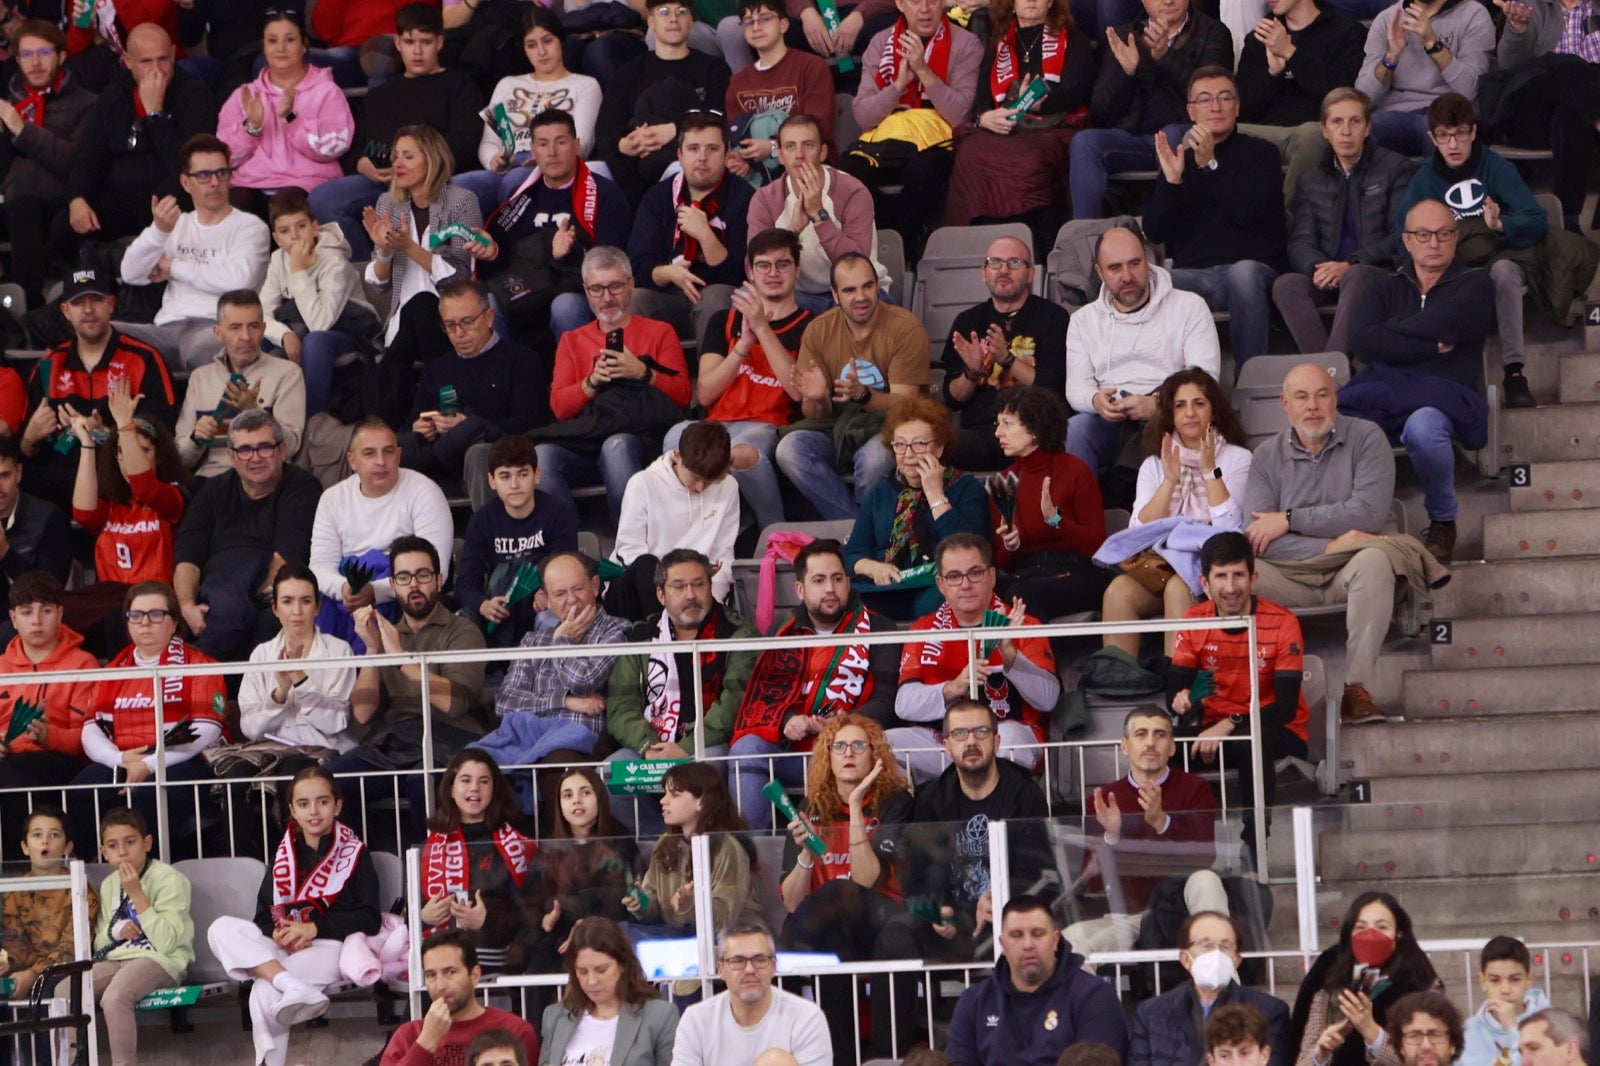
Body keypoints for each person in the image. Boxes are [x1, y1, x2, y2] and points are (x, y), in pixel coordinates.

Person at [881, 698, 1050, 1046]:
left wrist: (1002, 903)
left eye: (980, 731)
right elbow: (917, 877)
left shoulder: (1024, 793)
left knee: (1008, 935)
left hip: (1005, 913)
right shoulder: (932, 799)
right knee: (896, 932)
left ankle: (1012, 1048)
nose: (970, 742)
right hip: (952, 915)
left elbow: (1041, 870)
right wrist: (940, 912)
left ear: (997, 740)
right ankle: (890, 1049)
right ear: (946, 745)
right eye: (959, 733)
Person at [1242, 363, 1397, 724]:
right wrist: (1334, 544)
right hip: (1290, 576)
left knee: (1375, 561)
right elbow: (1259, 538)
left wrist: (1291, 520)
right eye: (1302, 397)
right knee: (1235, 571)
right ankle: (1245, 698)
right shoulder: (1266, 456)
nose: (1313, 406)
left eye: (1321, 395)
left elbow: (1368, 515)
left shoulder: (1367, 437)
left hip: (1350, 570)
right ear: (1284, 403)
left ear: (1335, 399)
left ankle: (1356, 691)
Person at [1344, 198, 1494, 566]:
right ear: (1406, 241)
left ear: (1455, 238)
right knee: (1336, 425)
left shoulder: (1474, 284)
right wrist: (1430, 344)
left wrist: (1390, 338)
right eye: (1423, 235)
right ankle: (1358, 527)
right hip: (1387, 395)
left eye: (1443, 234)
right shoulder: (1384, 287)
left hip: (1443, 398)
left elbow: (1380, 339)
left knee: (1423, 427)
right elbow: (1361, 341)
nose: (1434, 243)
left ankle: (1443, 521)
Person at [206, 766, 382, 1066]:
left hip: (328, 947)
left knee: (263, 989)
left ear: (337, 805)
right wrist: (277, 932)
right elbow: (263, 916)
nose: (313, 811)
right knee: (220, 928)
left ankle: (279, 1015)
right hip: (283, 948)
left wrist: (313, 928)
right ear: (292, 811)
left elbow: (369, 918)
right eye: (303, 804)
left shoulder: (356, 853)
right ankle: (291, 984)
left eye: (322, 801)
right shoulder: (283, 855)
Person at [729, 538, 902, 829]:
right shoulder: (782, 631)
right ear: (800, 589)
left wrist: (843, 725)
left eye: (837, 579)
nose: (830, 589)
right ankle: (754, 854)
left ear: (848, 583)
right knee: (745, 749)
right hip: (797, 752)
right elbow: (762, 699)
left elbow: (886, 701)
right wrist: (786, 719)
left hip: (852, 750)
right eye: (819, 580)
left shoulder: (878, 627)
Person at [1396, 93, 1550, 413]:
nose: (1453, 144)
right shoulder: (1425, 179)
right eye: (1443, 135)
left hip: (1500, 257)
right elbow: (1404, 236)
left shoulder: (1496, 167)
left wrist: (1500, 224)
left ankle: (1514, 373)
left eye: (1460, 133)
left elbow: (1537, 220)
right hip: (1454, 268)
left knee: (1503, 272)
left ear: (1473, 132)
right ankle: (1452, 383)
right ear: (1431, 137)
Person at [331, 536, 488, 844]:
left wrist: (401, 658)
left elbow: (455, 704)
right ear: (392, 584)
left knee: (422, 782)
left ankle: (425, 881)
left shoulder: (463, 631)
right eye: (404, 577)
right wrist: (373, 650)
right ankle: (368, 876)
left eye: (423, 575)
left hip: (452, 739)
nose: (414, 585)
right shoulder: (387, 633)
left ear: (439, 580)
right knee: (332, 783)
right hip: (397, 741)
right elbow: (362, 714)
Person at [773, 713, 911, 1061]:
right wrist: (806, 854)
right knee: (825, 937)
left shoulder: (896, 802)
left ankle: (883, 1056)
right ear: (828, 756)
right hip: (827, 927)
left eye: (859, 745)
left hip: (880, 917)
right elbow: (791, 901)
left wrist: (853, 808)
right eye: (839, 746)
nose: (849, 753)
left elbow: (866, 880)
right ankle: (840, 1058)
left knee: (837, 893)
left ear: (874, 755)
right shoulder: (810, 808)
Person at [1167, 531, 1311, 860]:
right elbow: (1175, 687)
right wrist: (1180, 698)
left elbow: (1285, 709)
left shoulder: (1283, 621)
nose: (1230, 587)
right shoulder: (1193, 620)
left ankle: (1255, 845)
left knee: (1251, 738)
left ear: (1253, 577)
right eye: (1221, 576)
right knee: (1158, 739)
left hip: (1279, 732)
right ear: (1205, 582)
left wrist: (1231, 723)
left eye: (1238, 575)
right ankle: (1174, 843)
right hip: (1216, 733)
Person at [311, 3, 485, 260]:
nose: (417, 51)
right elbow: (358, 146)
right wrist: (363, 165)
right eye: (409, 41)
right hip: (383, 180)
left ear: (439, 42)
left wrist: (419, 168)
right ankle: (370, 269)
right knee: (323, 199)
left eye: (425, 42)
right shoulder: (381, 95)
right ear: (397, 44)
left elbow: (464, 145)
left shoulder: (460, 86)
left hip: (434, 182)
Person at [1143, 67, 1286, 374]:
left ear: (1238, 106)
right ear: (1191, 111)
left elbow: (1247, 213)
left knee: (1242, 274)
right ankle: (1159, 383)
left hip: (1252, 270)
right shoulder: (1179, 156)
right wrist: (1171, 181)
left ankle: (1251, 377)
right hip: (1194, 274)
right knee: (1148, 279)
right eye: (1205, 100)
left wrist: (1210, 164)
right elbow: (1154, 230)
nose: (1215, 106)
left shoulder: (1263, 154)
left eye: (1224, 97)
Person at [1100, 369, 1251, 659]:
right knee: (1118, 591)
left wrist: (1209, 471)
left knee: (1178, 588)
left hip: (1210, 569)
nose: (1190, 413)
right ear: (1170, 415)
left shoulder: (1238, 459)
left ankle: (1179, 682)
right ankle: (1119, 681)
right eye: (1180, 406)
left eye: (1199, 403)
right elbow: (1139, 530)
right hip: (1161, 565)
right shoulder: (1154, 464)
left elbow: (1231, 530)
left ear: (1214, 411)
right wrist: (1170, 481)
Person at [67, 582, 229, 853]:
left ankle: (153, 881)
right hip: (123, 759)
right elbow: (90, 728)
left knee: (146, 797)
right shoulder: (114, 668)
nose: (145, 623)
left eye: (156, 614)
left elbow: (206, 728)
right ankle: (95, 880)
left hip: (183, 761)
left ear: (175, 621)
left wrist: (151, 764)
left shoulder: (200, 664)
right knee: (81, 792)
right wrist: (119, 760)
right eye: (136, 615)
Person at [671, 227, 811, 534]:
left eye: (783, 264)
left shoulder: (811, 325)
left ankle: (775, 531)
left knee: (743, 449)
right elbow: (706, 393)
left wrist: (762, 328)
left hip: (768, 423)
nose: (773, 273)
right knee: (674, 439)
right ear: (750, 270)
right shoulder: (724, 320)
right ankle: (687, 537)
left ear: (797, 270)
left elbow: (798, 392)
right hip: (716, 423)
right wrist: (743, 345)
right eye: (763, 265)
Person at [605, 549, 759, 824]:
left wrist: (687, 747)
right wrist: (647, 745)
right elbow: (621, 706)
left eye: (699, 584)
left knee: (705, 768)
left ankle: (705, 844)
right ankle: (664, 845)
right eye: (679, 586)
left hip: (710, 745)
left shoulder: (736, 633)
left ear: (710, 587)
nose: (690, 595)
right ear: (661, 595)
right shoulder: (641, 636)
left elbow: (736, 699)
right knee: (610, 771)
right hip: (653, 744)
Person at [540, 246, 692, 523]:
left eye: (615, 287)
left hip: (639, 438)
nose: (607, 298)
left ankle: (629, 545)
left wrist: (642, 372)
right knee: (541, 456)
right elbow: (560, 409)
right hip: (587, 439)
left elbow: (683, 396)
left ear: (631, 286)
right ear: (586, 291)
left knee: (616, 446)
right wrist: (592, 382)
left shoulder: (660, 332)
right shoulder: (572, 340)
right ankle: (567, 549)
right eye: (597, 289)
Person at [892, 531, 1059, 783]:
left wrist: (1011, 655)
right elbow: (903, 704)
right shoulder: (923, 630)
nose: (966, 584)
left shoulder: (1023, 624)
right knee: (878, 745)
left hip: (1003, 737)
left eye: (975, 573)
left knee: (1008, 741)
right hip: (943, 743)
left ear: (992, 577)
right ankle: (922, 818)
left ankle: (996, 816)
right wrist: (952, 688)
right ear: (941, 584)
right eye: (954, 576)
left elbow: (1048, 699)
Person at [777, 252, 929, 519]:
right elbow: (814, 414)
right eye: (849, 290)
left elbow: (907, 405)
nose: (861, 297)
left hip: (893, 425)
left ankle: (860, 535)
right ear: (834, 295)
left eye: (868, 286)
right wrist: (816, 399)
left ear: (877, 286)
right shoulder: (818, 330)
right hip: (835, 427)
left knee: (874, 460)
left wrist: (863, 394)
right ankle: (852, 528)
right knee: (789, 450)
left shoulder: (905, 328)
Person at [1063, 706, 1223, 953]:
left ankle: (1221, 984)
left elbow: (1205, 858)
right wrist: (1112, 836)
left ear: (1172, 747)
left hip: (1180, 913)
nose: (1150, 742)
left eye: (1160, 734)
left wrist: (1162, 822)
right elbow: (1093, 882)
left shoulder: (1195, 788)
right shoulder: (1105, 797)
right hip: (1127, 919)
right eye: (1141, 734)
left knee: (1206, 880)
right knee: (1068, 944)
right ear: (1124, 746)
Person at [1063, 225, 1220, 477]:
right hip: (1111, 419)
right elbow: (1076, 388)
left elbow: (1205, 378)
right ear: (1099, 272)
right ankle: (1084, 515)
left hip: (1172, 414)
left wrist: (1160, 405)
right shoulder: (1083, 320)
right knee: (1074, 430)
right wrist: (1096, 401)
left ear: (1147, 261)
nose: (1127, 276)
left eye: (1135, 263)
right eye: (1115, 268)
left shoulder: (1189, 306)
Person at [361, 123, 492, 420]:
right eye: (395, 156)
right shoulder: (388, 204)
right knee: (414, 311)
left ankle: (384, 425)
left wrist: (408, 246)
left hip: (451, 321)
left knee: (420, 308)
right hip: (402, 325)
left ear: (431, 159)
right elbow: (380, 284)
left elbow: (461, 276)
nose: (397, 163)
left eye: (408, 156)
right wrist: (383, 250)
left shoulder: (461, 201)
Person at [1272, 87, 1414, 356]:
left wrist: (1350, 264)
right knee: (1286, 285)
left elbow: (1402, 236)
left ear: (1368, 128)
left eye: (1355, 121)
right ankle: (1334, 372)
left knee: (1356, 275)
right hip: (1328, 276)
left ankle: (1330, 375)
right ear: (1325, 130)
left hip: (1377, 274)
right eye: (1337, 122)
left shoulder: (1397, 169)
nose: (1346, 131)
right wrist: (1320, 268)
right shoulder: (1311, 179)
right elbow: (1300, 241)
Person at [172, 410, 323, 663]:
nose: (255, 458)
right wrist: (187, 606)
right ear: (231, 456)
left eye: (265, 447)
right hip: (215, 599)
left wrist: (247, 606)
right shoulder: (212, 490)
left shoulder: (303, 487)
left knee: (269, 623)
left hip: (265, 598)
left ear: (282, 450)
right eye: (244, 450)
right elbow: (188, 555)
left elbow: (287, 558)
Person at [55, 24, 215, 258]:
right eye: (146, 62)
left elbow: (189, 168)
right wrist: (77, 197)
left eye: (162, 59)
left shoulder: (195, 95)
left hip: (167, 199)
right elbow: (89, 155)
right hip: (120, 197)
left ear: (173, 54)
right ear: (128, 61)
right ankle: (95, 288)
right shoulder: (113, 96)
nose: (156, 70)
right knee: (62, 226)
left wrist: (155, 115)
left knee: (172, 192)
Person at [23, 268, 179, 508]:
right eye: (78, 302)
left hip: (122, 473)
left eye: (96, 300)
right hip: (61, 482)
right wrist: (29, 438)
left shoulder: (144, 359)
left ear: (111, 304)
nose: (88, 310)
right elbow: (28, 451)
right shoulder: (48, 366)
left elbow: (163, 432)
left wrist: (104, 435)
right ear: (65, 311)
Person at [116, 133, 272, 371]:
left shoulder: (251, 227)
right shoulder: (175, 224)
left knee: (209, 349)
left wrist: (173, 267)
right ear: (186, 183)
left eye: (221, 173)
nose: (214, 183)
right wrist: (158, 231)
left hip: (216, 327)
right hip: (166, 328)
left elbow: (240, 282)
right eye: (203, 175)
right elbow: (130, 273)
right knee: (103, 334)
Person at [840, 0, 982, 258]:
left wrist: (923, 70)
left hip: (936, 137)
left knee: (923, 173)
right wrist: (897, 88)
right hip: (884, 135)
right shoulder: (881, 42)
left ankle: (902, 250)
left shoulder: (966, 43)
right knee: (846, 176)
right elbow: (862, 116)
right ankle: (883, 240)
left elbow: (960, 115)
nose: (925, 9)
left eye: (932, 1)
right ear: (900, 4)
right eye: (916, 2)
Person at [478, 108, 632, 341]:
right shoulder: (522, 197)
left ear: (577, 145)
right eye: (543, 144)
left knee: (565, 306)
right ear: (533, 150)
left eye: (561, 142)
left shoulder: (605, 194)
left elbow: (611, 265)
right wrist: (491, 254)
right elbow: (502, 269)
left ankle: (576, 374)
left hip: (576, 294)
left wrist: (566, 256)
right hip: (528, 293)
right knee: (487, 304)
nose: (552, 152)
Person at [1068, 0, 1231, 220]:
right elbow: (1101, 112)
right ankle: (1086, 238)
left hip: (1184, 134)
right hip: (1135, 140)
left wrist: (1166, 56)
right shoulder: (1125, 36)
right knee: (1084, 143)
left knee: (1174, 135)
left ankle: (1169, 233)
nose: (1168, 1)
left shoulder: (1213, 32)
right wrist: (1125, 74)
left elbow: (1211, 101)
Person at [943, 0, 1096, 231]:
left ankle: (1037, 241)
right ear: (1012, 4)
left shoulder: (1073, 39)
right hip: (1007, 129)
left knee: (1029, 159)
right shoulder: (999, 42)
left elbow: (1077, 91)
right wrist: (985, 117)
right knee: (969, 153)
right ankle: (982, 235)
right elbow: (982, 100)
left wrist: (1036, 105)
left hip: (1053, 127)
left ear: (1051, 2)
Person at [309, 418, 454, 647]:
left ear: (398, 454)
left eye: (388, 452)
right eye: (369, 453)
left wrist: (374, 591)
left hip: (404, 592)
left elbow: (437, 571)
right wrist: (346, 590)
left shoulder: (425, 491)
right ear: (352, 460)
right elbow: (319, 567)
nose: (381, 461)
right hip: (345, 596)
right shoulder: (332, 498)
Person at [844, 395, 991, 621]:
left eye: (919, 444)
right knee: (852, 603)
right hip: (888, 586)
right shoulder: (881, 492)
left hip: (939, 584)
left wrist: (935, 494)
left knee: (935, 604)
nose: (909, 454)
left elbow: (972, 550)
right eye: (900, 444)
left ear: (939, 448)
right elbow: (853, 552)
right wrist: (874, 568)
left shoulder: (965, 487)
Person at [67, 379, 190, 645]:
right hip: (110, 601)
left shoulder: (174, 495)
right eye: (121, 451)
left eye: (143, 449)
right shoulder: (114, 504)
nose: (129, 456)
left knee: (118, 617)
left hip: (156, 604)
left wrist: (124, 424)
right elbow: (84, 514)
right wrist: (88, 446)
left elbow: (145, 488)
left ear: (158, 457)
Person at [946, 894, 1129, 1066]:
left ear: (1055, 939)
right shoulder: (975, 1001)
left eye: (1037, 933)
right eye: (1016, 935)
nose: (1028, 944)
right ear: (1002, 944)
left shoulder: (1094, 996)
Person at [487, 550, 630, 763]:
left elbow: (582, 682)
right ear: (545, 599)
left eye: (579, 589)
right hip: (531, 739)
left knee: (555, 762)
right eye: (560, 594)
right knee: (471, 765)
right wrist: (567, 701)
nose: (572, 600)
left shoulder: (617, 630)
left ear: (595, 586)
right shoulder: (533, 641)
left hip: (580, 744)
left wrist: (561, 640)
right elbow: (505, 702)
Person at [942, 237, 1071, 471]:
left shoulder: (1053, 317)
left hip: (1033, 432)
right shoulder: (967, 321)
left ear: (1031, 273)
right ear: (984, 272)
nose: (1003, 270)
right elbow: (952, 399)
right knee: (937, 445)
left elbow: (1053, 389)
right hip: (982, 433)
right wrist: (972, 371)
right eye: (995, 262)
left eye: (1014, 262)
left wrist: (1007, 359)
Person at [460, 5, 602, 213]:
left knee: (517, 180)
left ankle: (508, 244)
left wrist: (546, 156)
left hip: (552, 165)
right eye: (531, 45)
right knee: (455, 188)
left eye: (547, 41)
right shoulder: (507, 85)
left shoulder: (585, 85)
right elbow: (489, 142)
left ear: (561, 41)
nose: (541, 52)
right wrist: (494, 160)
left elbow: (583, 143)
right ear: (524, 49)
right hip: (506, 165)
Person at [627, 111, 753, 347]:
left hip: (721, 295)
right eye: (694, 148)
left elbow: (742, 272)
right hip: (668, 296)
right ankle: (641, 381)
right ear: (680, 155)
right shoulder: (658, 197)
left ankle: (712, 381)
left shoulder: (744, 197)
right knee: (633, 299)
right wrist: (668, 273)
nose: (702, 157)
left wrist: (705, 235)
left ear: (727, 155)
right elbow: (637, 264)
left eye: (712, 149)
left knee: (716, 298)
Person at [399, 278, 542, 484]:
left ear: (489, 317)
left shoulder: (521, 360)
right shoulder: (436, 370)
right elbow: (410, 424)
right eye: (449, 325)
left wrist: (470, 425)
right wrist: (419, 428)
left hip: (496, 457)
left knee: (474, 446)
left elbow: (530, 423)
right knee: (390, 447)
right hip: (442, 461)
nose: (459, 333)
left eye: (467, 322)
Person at [747, 112, 891, 314]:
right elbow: (755, 266)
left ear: (823, 152)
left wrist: (818, 215)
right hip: (799, 296)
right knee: (752, 300)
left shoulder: (853, 192)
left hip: (856, 292)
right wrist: (793, 232)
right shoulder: (765, 200)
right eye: (790, 146)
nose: (799, 155)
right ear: (780, 155)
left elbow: (856, 266)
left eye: (808, 145)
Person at [216, 9, 356, 216]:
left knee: (287, 210)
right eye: (272, 41)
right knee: (229, 209)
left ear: (304, 45)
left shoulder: (327, 92)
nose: (281, 48)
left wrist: (291, 120)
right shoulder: (245, 95)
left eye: (290, 40)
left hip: (305, 184)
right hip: (250, 183)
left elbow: (335, 147)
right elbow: (224, 158)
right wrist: (252, 127)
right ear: (263, 47)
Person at [260, 188, 381, 419]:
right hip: (299, 329)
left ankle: (312, 423)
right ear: (276, 238)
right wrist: (285, 335)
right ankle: (265, 424)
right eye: (285, 231)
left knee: (315, 342)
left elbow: (320, 323)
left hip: (350, 333)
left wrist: (298, 271)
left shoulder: (334, 262)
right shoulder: (278, 259)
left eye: (301, 226)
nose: (295, 236)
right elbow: (261, 313)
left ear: (315, 227)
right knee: (262, 340)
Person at [594, 0, 732, 202]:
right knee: (590, 171)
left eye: (681, 12)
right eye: (664, 12)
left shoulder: (714, 69)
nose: (674, 19)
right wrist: (625, 143)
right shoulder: (628, 73)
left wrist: (675, 130)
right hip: (631, 167)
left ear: (691, 20)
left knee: (679, 170)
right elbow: (606, 129)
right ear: (651, 21)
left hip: (686, 163)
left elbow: (719, 118)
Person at [0, 20, 95, 310]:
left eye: (43, 52)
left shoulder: (87, 104)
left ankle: (30, 305)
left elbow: (74, 162)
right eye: (26, 55)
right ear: (17, 60)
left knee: (22, 200)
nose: (35, 62)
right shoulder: (7, 103)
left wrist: (21, 130)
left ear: (62, 56)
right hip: (13, 200)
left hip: (63, 200)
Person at [91, 806, 196, 1066]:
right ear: (104, 852)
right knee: (65, 990)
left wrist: (137, 894)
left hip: (161, 960)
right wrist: (116, 930)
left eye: (130, 842)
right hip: (116, 959)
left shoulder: (170, 879)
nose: (123, 852)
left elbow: (168, 942)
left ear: (147, 843)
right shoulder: (108, 885)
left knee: (115, 997)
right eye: (113, 846)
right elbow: (100, 942)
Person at [418, 750, 537, 975]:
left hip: (498, 951)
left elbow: (531, 911)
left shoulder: (516, 842)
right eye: (466, 780)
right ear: (451, 789)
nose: (474, 788)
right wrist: (424, 917)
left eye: (484, 781)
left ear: (494, 789)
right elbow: (410, 912)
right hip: (442, 954)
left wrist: (486, 920)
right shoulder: (429, 845)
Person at [993, 386, 1109, 618]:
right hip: (1028, 573)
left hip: (1077, 572)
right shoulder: (1003, 481)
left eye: (1008, 424)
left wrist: (1057, 520)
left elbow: (1098, 547)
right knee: (981, 590)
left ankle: (1034, 655)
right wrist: (1010, 546)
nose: (998, 433)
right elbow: (1003, 562)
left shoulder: (1075, 470)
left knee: (1022, 595)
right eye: (997, 424)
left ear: (1035, 429)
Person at [1289, 892, 1441, 1066]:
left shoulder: (1421, 982)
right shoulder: (1328, 975)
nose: (1370, 935)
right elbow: (1301, 1057)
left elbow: (1430, 1058)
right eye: (1360, 927)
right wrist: (1320, 1055)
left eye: (1382, 927)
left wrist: (1373, 1033)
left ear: (1398, 934)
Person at [1234, 0, 1364, 204]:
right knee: (1200, 133)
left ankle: (1282, 219)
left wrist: (1290, 53)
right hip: (1264, 132)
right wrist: (1272, 74)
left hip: (1311, 131)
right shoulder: (1260, 37)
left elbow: (1342, 96)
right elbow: (1240, 108)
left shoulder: (1347, 32)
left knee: (1312, 135)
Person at [513, 767, 638, 971]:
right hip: (559, 941)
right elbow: (529, 904)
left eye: (585, 793)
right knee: (539, 966)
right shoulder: (549, 850)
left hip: (607, 938)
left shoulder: (621, 844)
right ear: (560, 805)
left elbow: (621, 900)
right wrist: (544, 920)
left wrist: (585, 929)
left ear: (600, 798)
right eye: (567, 795)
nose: (576, 801)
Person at [459, 437, 581, 647]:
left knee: (551, 618)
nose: (514, 485)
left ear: (537, 475)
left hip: (542, 605)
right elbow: (465, 583)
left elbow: (565, 569)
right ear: (491, 481)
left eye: (522, 474)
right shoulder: (481, 521)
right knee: (462, 621)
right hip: (499, 606)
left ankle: (547, 679)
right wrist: (484, 605)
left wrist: (547, 595)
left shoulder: (558, 513)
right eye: (505, 476)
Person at [1492, 0, 1600, 233]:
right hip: (1534, 112)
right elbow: (1510, 67)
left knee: (1569, 115)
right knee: (1570, 66)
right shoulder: (1532, 6)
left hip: (1577, 117)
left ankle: (1568, 220)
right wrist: (1517, 29)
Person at [175, 290, 308, 479]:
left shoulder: (288, 374)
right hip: (212, 481)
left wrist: (254, 412)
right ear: (218, 333)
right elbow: (180, 459)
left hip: (266, 481)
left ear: (263, 329)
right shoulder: (200, 378)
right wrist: (195, 439)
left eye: (253, 326)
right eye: (235, 327)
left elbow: (291, 446)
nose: (246, 336)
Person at [623, 761, 762, 942]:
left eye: (674, 794)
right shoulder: (666, 842)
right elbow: (654, 904)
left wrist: (690, 904)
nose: (663, 800)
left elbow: (724, 920)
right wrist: (641, 903)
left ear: (701, 801)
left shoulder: (729, 847)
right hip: (678, 938)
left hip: (732, 942)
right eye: (665, 793)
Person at [1129, 913, 1292, 1066]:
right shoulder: (1151, 1013)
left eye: (1225, 946)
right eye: (1205, 945)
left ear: (1236, 961)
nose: (1216, 953)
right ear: (1185, 959)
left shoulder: (1269, 1011)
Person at [612, 421, 740, 614]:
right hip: (646, 587)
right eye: (695, 478)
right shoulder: (642, 483)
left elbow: (723, 556)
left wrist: (712, 602)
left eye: (709, 482)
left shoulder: (728, 486)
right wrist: (675, 588)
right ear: (678, 456)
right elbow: (630, 552)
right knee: (646, 565)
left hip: (696, 585)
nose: (700, 488)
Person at [0, 575, 97, 826]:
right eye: (25, 612)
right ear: (12, 618)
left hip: (60, 760)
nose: (36, 621)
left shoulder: (83, 664)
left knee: (14, 777)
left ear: (60, 613)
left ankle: (16, 863)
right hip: (9, 760)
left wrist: (47, 736)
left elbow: (85, 738)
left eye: (45, 611)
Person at [670, 919, 832, 1066]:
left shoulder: (807, 1018)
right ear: (721, 969)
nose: (749, 969)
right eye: (738, 961)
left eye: (759, 960)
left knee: (775, 1061)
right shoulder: (695, 1020)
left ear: (773, 967)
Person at [237, 562, 359, 756]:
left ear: (317, 607)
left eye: (306, 601)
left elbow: (337, 722)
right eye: (287, 601)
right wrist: (280, 693)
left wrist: (299, 679)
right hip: (272, 755)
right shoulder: (261, 654)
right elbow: (250, 728)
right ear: (275, 608)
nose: (297, 611)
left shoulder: (339, 650)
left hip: (323, 754)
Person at [379, 929, 542, 1065]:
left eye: (450, 972)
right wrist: (426, 1041)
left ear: (475, 975)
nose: (440, 985)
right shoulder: (408, 1035)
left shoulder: (515, 1030)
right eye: (431, 975)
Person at [1352, 0, 1493, 157]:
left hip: (1450, 110)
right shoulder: (1388, 19)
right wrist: (1391, 57)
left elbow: (1470, 90)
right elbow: (1364, 97)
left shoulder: (1473, 14)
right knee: (1360, 130)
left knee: (1442, 129)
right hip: (1396, 113)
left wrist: (1432, 43)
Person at [539, 916, 680, 1065]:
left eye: (601, 970)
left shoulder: (659, 1017)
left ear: (623, 965)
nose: (592, 981)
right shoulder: (554, 1017)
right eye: (582, 972)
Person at [723, 0, 835, 178]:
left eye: (765, 18)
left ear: (783, 25)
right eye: (748, 22)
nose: (756, 27)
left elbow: (819, 128)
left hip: (807, 172)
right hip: (758, 179)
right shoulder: (737, 82)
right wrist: (740, 161)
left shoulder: (812, 67)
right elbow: (736, 137)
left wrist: (774, 147)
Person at [0, 807, 100, 1004]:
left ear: (67, 847)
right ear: (25, 847)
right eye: (37, 835)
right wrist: (8, 962)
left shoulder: (82, 889)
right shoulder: (13, 892)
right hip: (24, 972)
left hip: (64, 970)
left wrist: (32, 974)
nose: (45, 841)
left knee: (46, 986)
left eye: (54, 835)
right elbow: (15, 945)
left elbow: (71, 948)